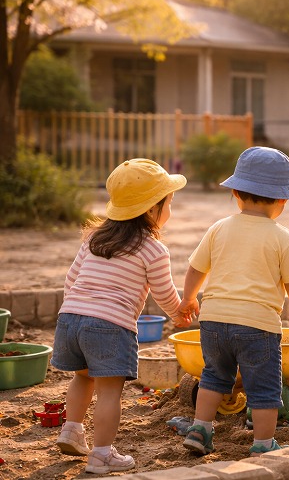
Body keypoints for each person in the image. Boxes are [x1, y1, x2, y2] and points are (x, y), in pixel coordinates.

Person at [51, 159, 191, 475]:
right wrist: (179, 313)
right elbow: (164, 292)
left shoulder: (94, 239)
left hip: (70, 319)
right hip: (109, 327)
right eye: (169, 203)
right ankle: (101, 455)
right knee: (109, 392)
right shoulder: (153, 249)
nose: (170, 209)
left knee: (82, 376)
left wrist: (77, 309)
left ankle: (71, 430)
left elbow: (71, 280)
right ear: (152, 209)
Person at [178, 147, 289, 458]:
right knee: (264, 387)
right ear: (282, 201)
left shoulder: (218, 228)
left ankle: (200, 429)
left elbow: (196, 268)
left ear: (236, 194)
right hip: (258, 326)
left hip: (214, 321)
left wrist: (188, 298)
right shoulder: (283, 237)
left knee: (213, 375)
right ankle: (263, 444)